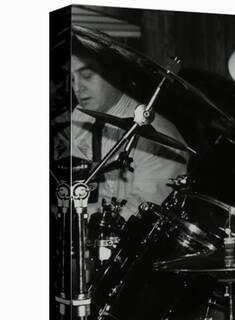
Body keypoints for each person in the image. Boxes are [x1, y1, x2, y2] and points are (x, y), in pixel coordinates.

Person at [53, 36, 187, 219]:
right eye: (73, 79)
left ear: (114, 74)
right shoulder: (80, 115)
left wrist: (76, 218)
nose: (78, 88)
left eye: (86, 76)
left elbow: (142, 211)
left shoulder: (160, 136)